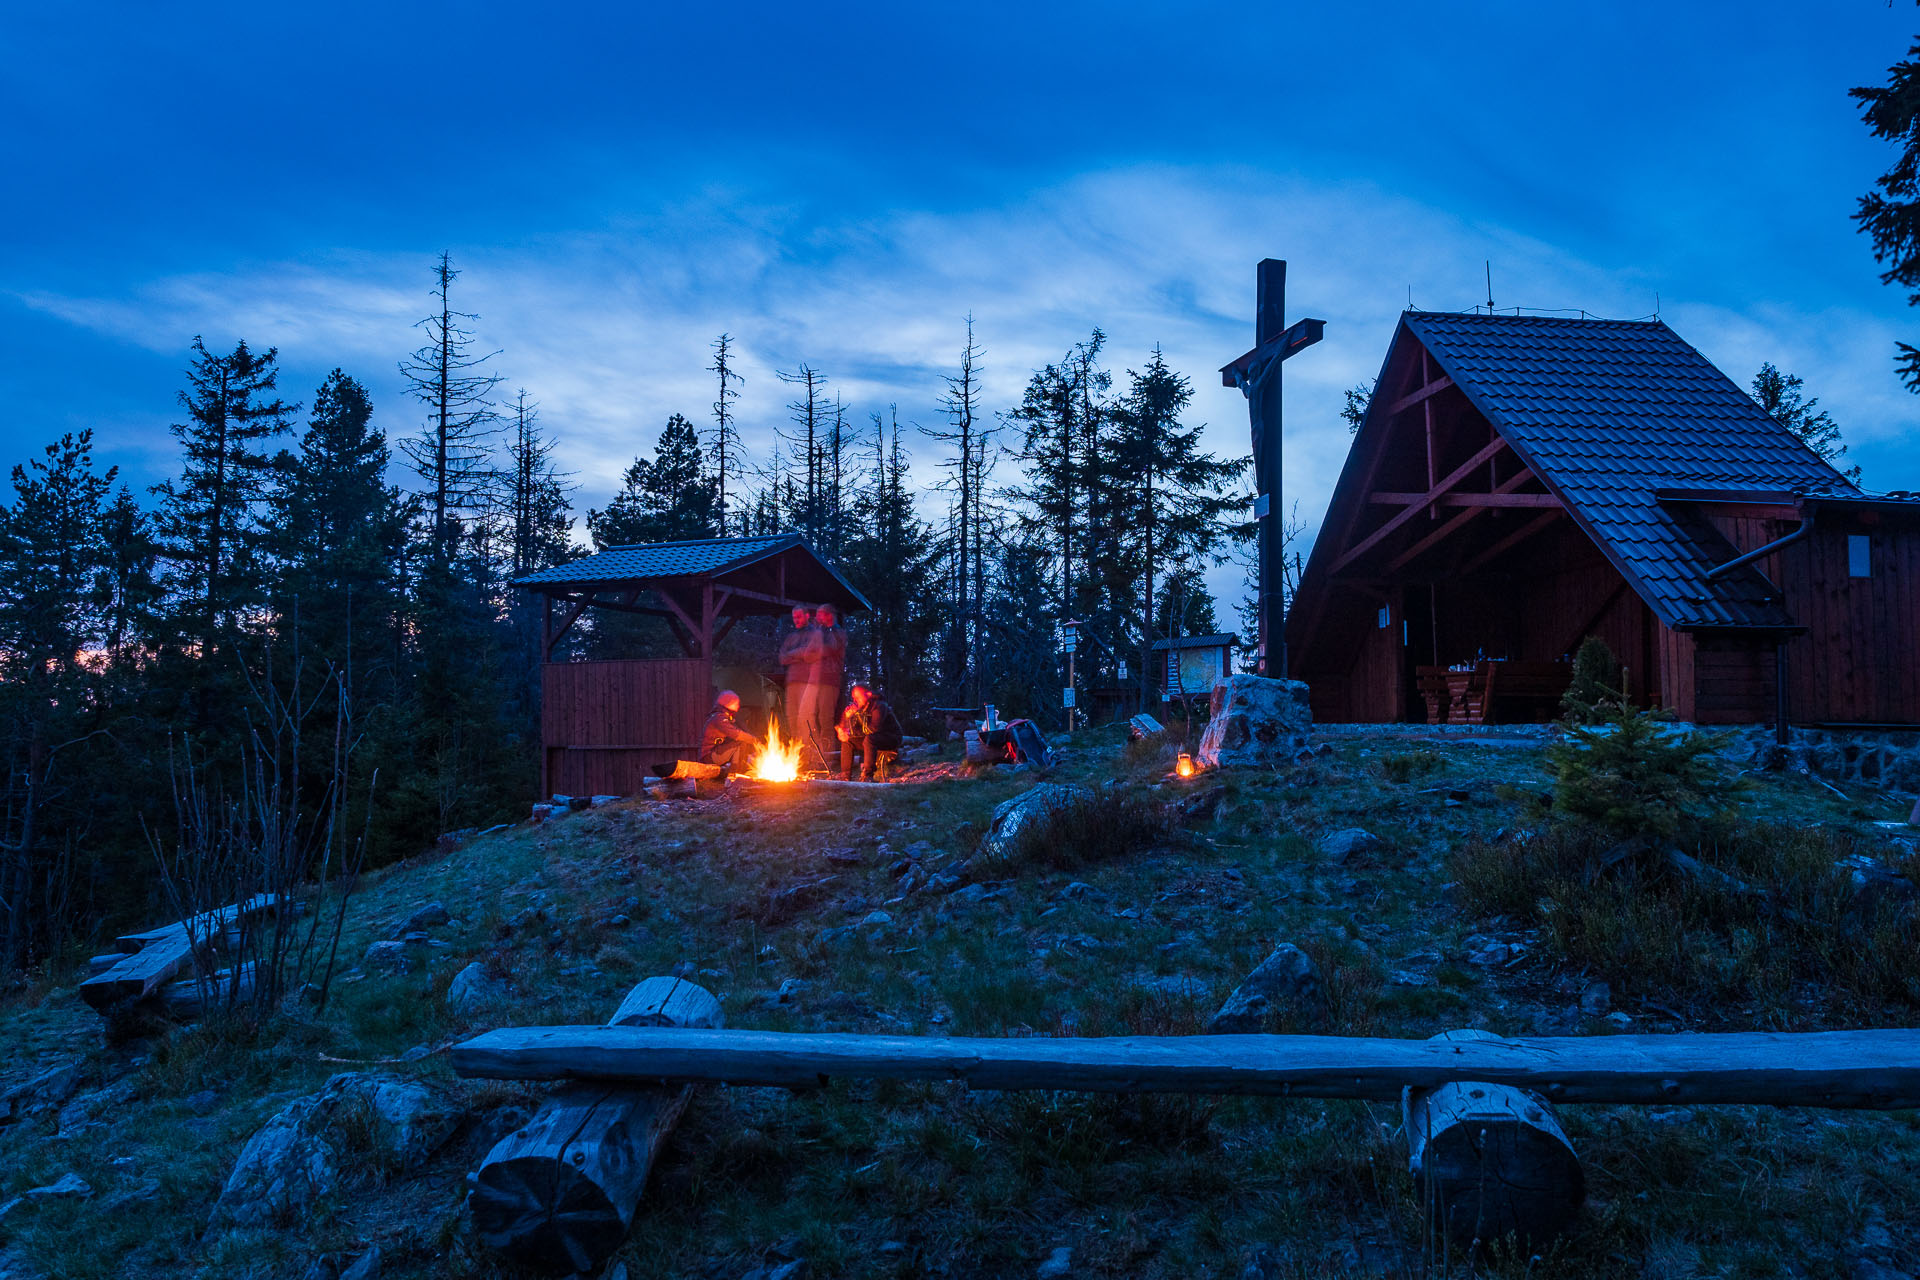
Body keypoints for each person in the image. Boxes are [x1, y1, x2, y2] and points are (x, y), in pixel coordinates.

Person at [835, 682, 904, 781]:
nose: (855, 700)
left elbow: (874, 728)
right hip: (873, 737)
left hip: (892, 738)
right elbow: (855, 730)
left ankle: (868, 775)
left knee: (870, 739)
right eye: (854, 698)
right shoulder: (861, 708)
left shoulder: (879, 706)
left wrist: (856, 721)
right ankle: (845, 775)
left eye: (858, 697)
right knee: (848, 741)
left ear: (868, 695)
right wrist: (845, 724)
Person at [698, 690, 761, 772]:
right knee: (741, 742)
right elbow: (737, 734)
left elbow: (735, 732)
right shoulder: (720, 719)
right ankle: (735, 774)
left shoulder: (719, 717)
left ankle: (733, 771)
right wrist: (756, 741)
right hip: (708, 757)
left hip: (712, 754)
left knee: (739, 741)